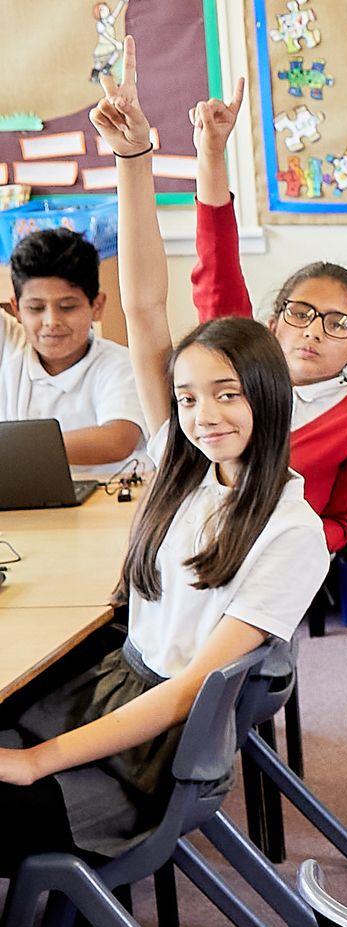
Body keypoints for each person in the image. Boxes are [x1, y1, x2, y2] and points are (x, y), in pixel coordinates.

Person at [0, 37, 329, 874]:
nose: (204, 414)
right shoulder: (183, 472)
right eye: (187, 397)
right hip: (111, 688)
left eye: (228, 393)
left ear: (269, 395)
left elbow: (188, 692)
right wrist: (135, 157)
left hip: (150, 756)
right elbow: (146, 309)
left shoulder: (293, 531)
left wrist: (38, 761)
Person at [188, 80, 347, 554]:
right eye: (300, 313)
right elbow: (216, 268)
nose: (311, 331)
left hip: (281, 562)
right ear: (272, 323)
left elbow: (343, 518)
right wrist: (212, 155)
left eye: (337, 323)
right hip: (199, 539)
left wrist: (289, 540)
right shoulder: (237, 370)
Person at [2, 226, 146, 477]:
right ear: (16, 309)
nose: (51, 321)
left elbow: (118, 440)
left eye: (67, 307)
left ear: (97, 306)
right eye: (35, 308)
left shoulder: (120, 365)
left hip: (107, 506)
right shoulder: (10, 347)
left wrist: (14, 450)